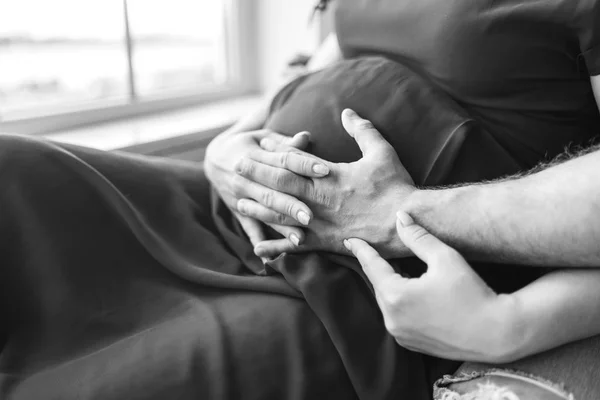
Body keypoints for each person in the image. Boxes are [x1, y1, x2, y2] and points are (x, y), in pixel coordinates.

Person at [0, 2, 599, 400]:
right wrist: (225, 151)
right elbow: (309, 79)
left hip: (351, 292)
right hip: (216, 209)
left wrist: (511, 324)